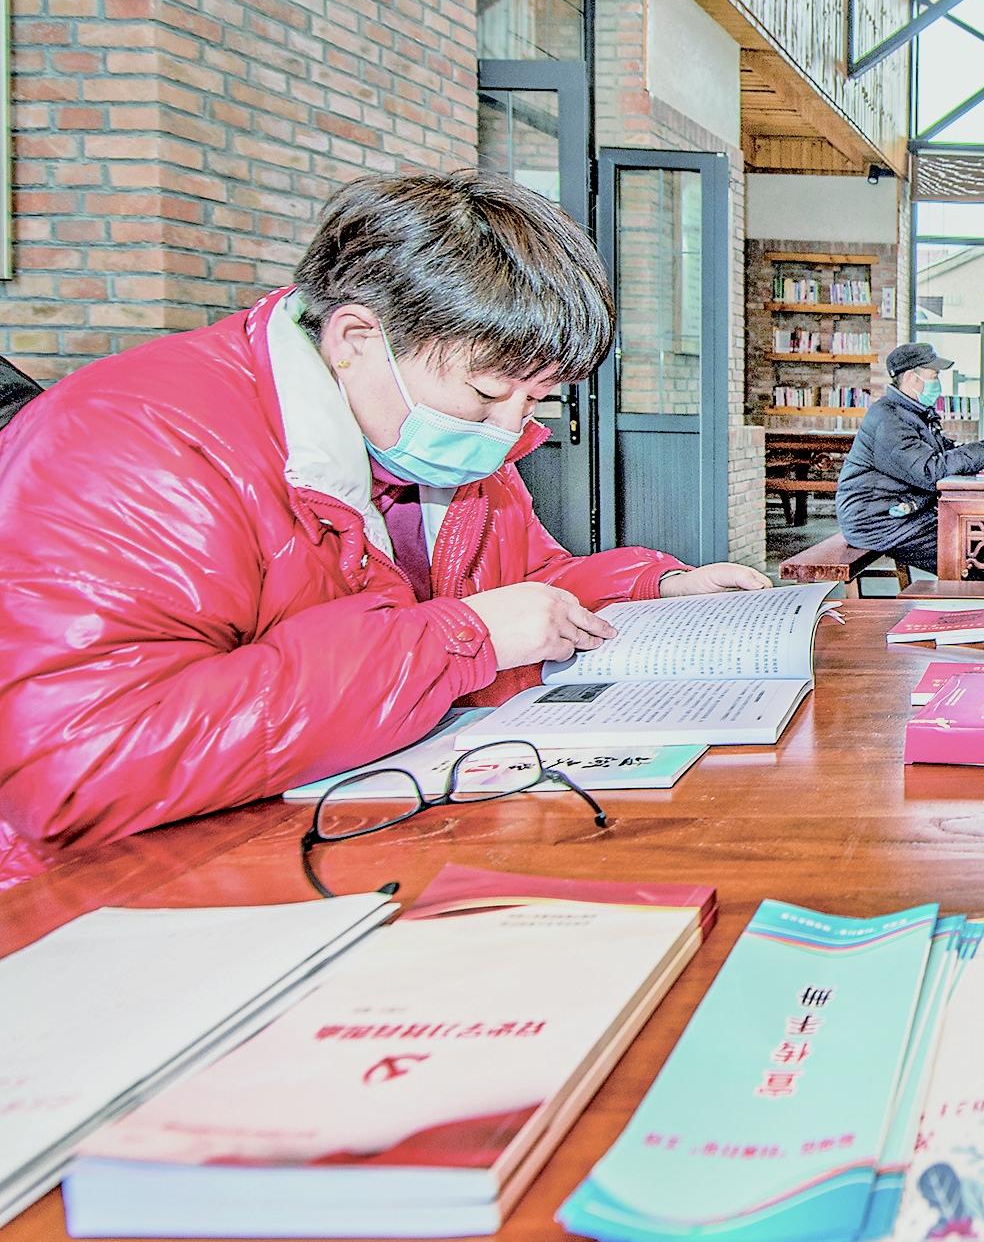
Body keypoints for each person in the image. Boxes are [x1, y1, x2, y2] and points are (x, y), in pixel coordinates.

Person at [0, 171, 770, 885]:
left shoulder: (421, 429)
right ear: (355, 339)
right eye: (488, 391)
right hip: (123, 894)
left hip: (357, 837)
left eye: (536, 399)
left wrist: (657, 586)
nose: (510, 429)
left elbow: (524, 588)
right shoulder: (137, 446)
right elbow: (77, 765)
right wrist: (456, 640)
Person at [837, 341, 984, 576]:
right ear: (911, 377)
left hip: (903, 510)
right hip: (879, 521)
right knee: (971, 553)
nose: (938, 382)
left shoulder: (913, 414)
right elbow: (930, 471)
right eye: (934, 375)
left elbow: (945, 452)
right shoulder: (889, 420)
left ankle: (980, 594)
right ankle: (972, 598)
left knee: (979, 539)